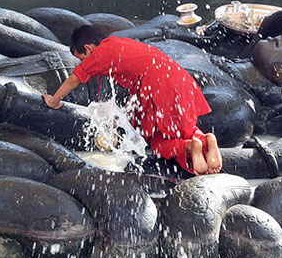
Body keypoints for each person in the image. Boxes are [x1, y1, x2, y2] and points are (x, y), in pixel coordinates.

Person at [44, 25, 222, 175]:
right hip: (179, 79)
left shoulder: (99, 54)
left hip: (160, 88)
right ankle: (205, 140)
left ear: (89, 48)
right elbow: (140, 83)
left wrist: (54, 100)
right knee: (182, 130)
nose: (83, 64)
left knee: (159, 144)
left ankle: (190, 147)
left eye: (82, 59)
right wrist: (124, 114)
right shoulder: (118, 44)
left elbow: (74, 79)